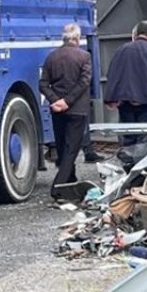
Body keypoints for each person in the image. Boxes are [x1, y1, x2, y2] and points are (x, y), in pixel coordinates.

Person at [39, 23, 92, 202]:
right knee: (71, 149)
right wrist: (67, 101)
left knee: (62, 148)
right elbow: (84, 82)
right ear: (77, 38)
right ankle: (58, 188)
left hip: (57, 110)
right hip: (77, 109)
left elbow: (43, 84)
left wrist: (55, 100)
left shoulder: (51, 57)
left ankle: (71, 181)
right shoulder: (84, 56)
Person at [104, 20, 147, 145]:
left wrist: (111, 98)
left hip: (125, 102)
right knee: (146, 137)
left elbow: (112, 74)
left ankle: (128, 162)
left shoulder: (121, 50)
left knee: (128, 135)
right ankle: (142, 163)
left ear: (135, 34)